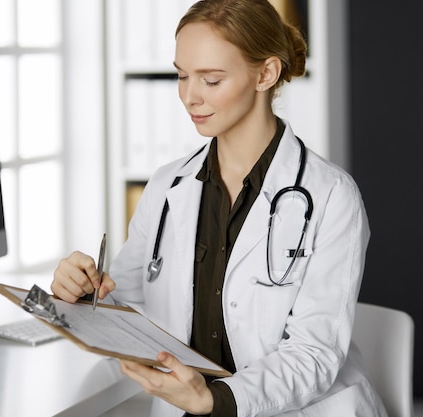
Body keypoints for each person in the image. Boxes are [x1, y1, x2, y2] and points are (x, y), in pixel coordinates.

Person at [51, 0, 388, 416]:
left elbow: (314, 354)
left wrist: (216, 399)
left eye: (211, 80)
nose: (190, 97)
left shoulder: (331, 196)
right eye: (181, 75)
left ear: (265, 74)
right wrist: (84, 294)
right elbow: (129, 308)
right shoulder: (166, 186)